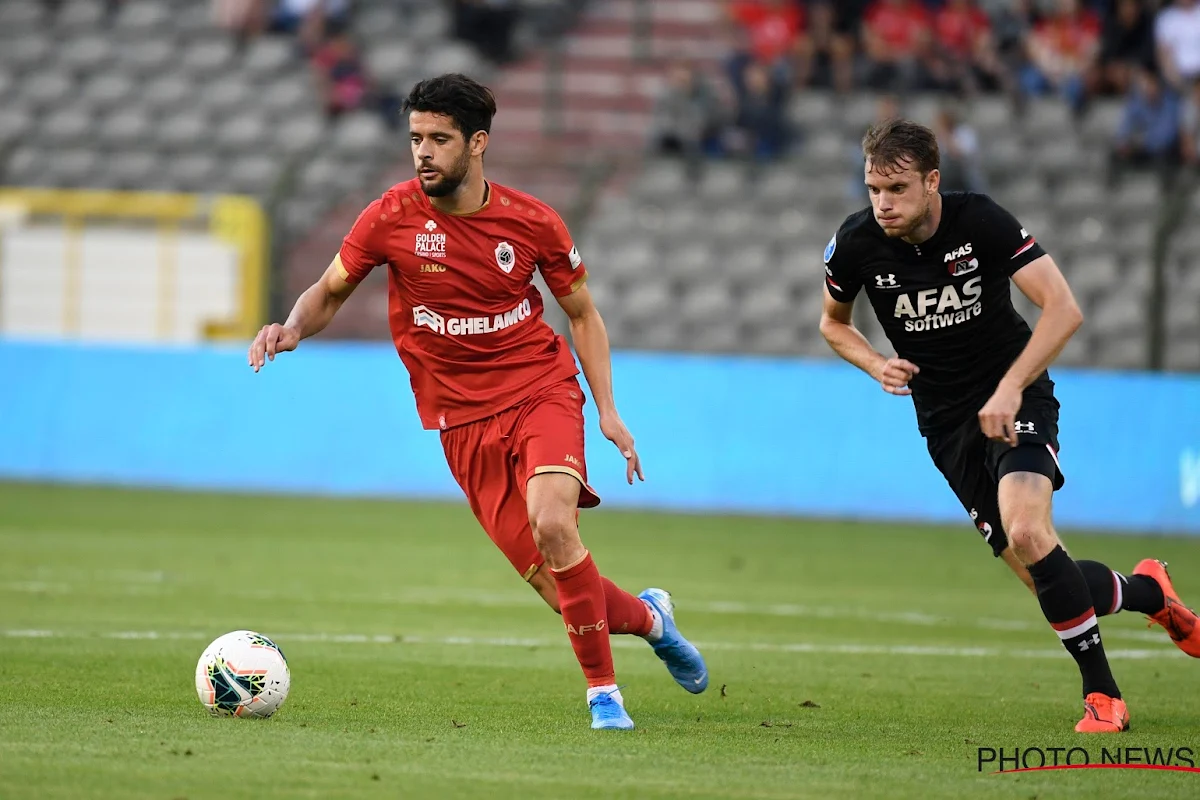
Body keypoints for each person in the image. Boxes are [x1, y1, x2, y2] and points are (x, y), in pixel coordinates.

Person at [248, 74, 709, 730]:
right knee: (557, 586)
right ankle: (652, 619)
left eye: (439, 139)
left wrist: (606, 409)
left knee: (555, 525)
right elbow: (328, 290)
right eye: (415, 139)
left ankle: (603, 695)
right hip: (460, 421)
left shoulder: (532, 223)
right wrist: (291, 328)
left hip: (539, 390)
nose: (423, 153)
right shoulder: (389, 218)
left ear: (478, 143)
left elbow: (582, 314)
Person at [818, 118, 1199, 733]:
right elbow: (832, 322)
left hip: (1014, 398)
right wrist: (874, 362)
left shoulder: (981, 223)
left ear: (932, 181)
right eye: (873, 189)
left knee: (1026, 530)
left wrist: (1011, 385)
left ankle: (1103, 697)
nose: (882, 203)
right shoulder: (857, 243)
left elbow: (1063, 308)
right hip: (945, 425)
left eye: (897, 189)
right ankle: (1151, 594)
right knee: (1049, 579)